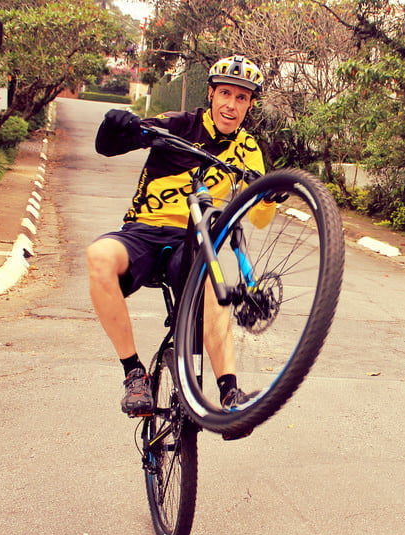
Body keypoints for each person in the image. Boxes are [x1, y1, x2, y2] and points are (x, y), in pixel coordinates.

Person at [87, 55, 275, 417]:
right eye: (225, 94)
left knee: (209, 282)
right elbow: (109, 146)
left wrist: (268, 196)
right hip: (143, 231)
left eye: (241, 98)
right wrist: (114, 125)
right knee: (99, 256)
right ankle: (134, 375)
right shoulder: (177, 125)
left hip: (192, 240)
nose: (231, 105)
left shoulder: (248, 148)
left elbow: (262, 217)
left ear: (250, 104)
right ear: (211, 94)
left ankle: (231, 395)